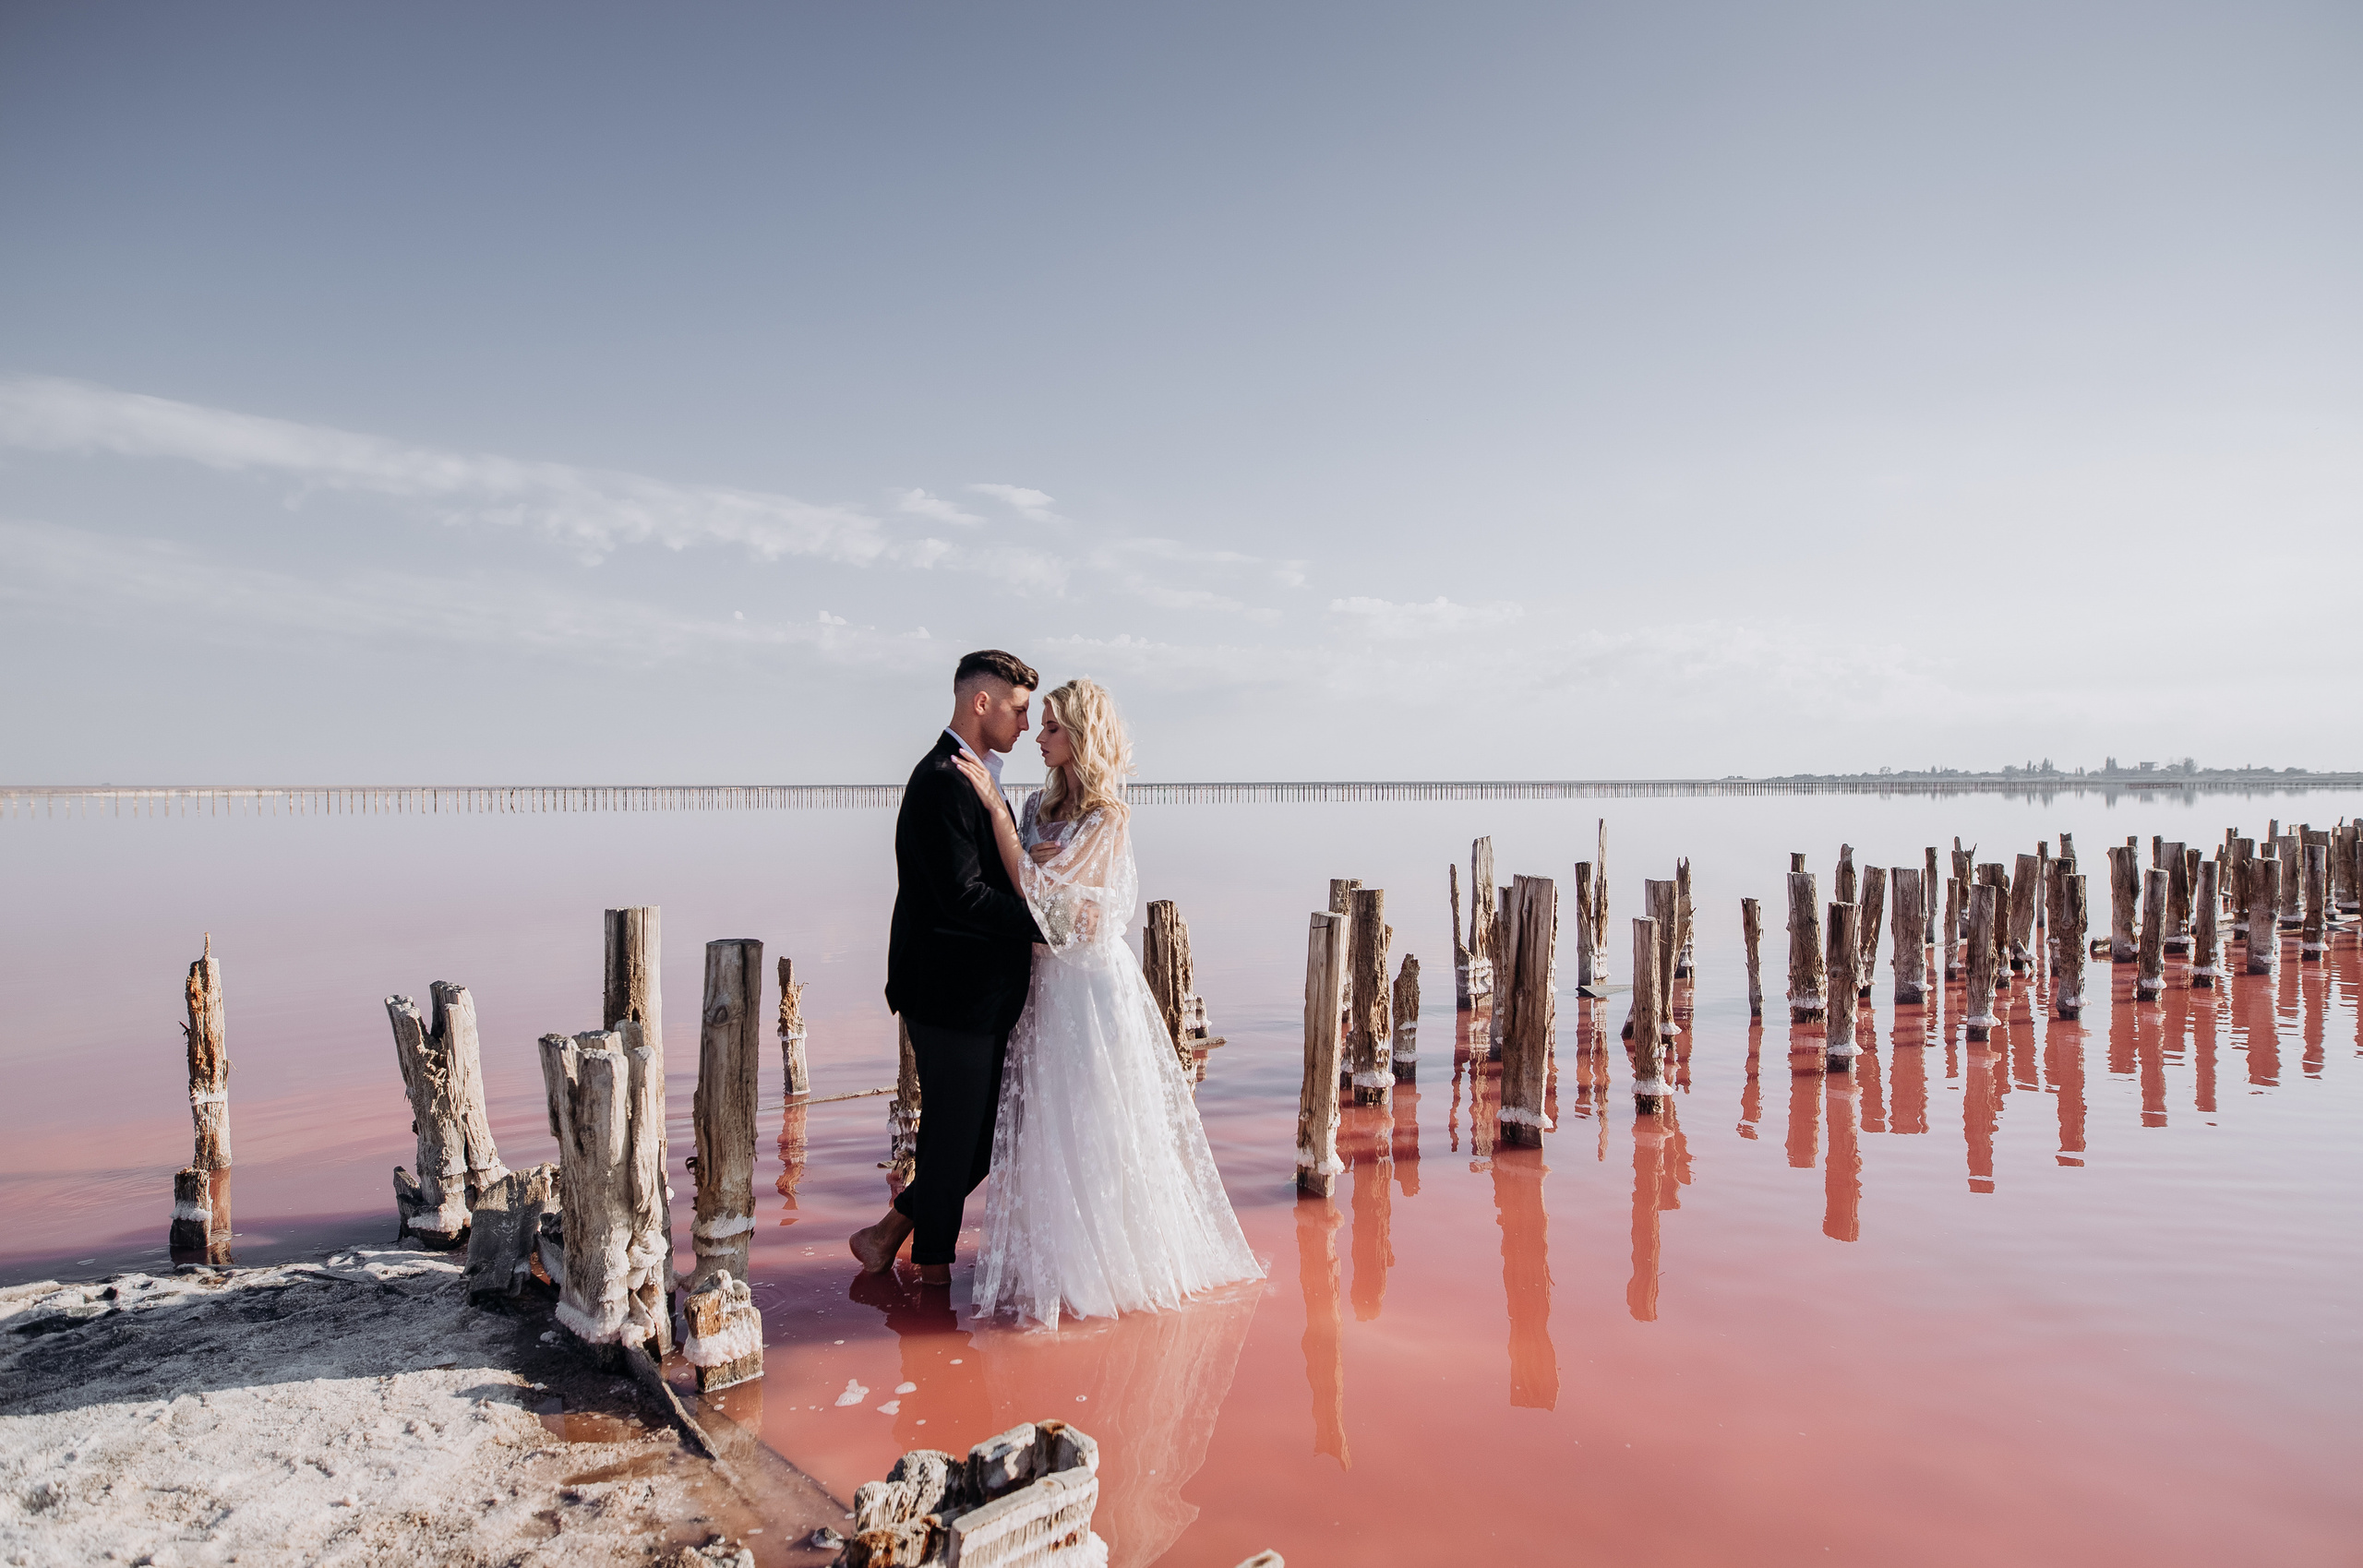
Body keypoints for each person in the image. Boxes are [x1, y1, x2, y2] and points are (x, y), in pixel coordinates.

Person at [945, 676, 1262, 1327]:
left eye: (1053, 727)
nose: (1040, 735)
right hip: (1043, 985)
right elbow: (1040, 896)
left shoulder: (1108, 816)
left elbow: (1049, 894)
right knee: (1048, 1123)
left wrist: (1019, 850)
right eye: (1042, 725)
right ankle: (1056, 1262)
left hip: (1091, 987)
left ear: (1083, 736)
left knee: (1099, 1118)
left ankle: (1109, 1265)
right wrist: (1027, 860)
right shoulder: (1033, 805)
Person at [851, 650, 1046, 1287]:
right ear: (979, 702)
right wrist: (1050, 923)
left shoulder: (976, 774)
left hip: (980, 998)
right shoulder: (939, 779)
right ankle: (931, 1284)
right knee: (956, 1144)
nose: (1026, 723)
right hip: (947, 996)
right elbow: (961, 896)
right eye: (1018, 709)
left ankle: (888, 1236)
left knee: (973, 1143)